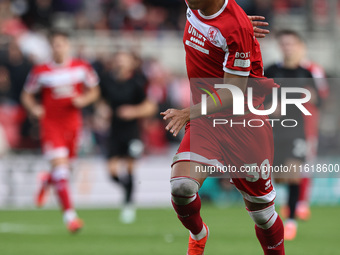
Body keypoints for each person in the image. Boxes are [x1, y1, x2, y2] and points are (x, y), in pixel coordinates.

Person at [161, 0, 285, 254]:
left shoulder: (236, 28)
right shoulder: (195, 5)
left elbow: (234, 93)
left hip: (244, 122)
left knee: (262, 214)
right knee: (181, 187)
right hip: (207, 118)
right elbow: (218, 24)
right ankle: (199, 234)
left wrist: (188, 112)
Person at [21, 30, 100, 233]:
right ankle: (70, 217)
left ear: (68, 45)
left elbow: (95, 91)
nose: (59, 48)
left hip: (73, 124)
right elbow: (27, 95)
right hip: (51, 124)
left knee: (67, 169)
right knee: (62, 170)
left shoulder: (82, 67)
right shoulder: (41, 71)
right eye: (55, 44)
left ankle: (46, 180)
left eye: (62, 44)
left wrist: (84, 99)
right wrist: (34, 108)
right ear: (50, 47)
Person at [265, 30, 321, 240]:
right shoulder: (270, 70)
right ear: (280, 46)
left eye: (291, 44)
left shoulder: (306, 73)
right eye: (284, 44)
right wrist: (268, 106)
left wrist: (314, 98)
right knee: (277, 178)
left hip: (296, 130)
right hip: (272, 130)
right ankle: (273, 216)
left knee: (293, 174)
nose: (288, 48)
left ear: (298, 47)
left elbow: (319, 100)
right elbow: (255, 97)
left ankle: (290, 223)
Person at [100, 51, 157, 224]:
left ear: (131, 64)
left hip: (132, 131)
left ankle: (128, 205)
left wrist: (133, 111)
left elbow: (151, 107)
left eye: (124, 60)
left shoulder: (138, 82)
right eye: (118, 59)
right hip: (114, 131)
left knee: (130, 167)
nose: (121, 62)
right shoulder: (108, 81)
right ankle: (127, 191)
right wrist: (101, 110)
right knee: (111, 172)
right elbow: (100, 100)